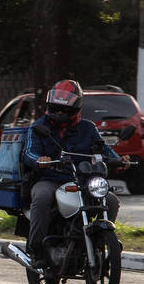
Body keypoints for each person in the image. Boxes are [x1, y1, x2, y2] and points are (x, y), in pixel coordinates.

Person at [23, 79, 130, 268]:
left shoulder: (88, 128)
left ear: (76, 107)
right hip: (50, 179)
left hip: (82, 181)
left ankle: (101, 240)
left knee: (111, 200)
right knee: (41, 197)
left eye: (64, 110)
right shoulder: (39, 127)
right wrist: (40, 160)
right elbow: (29, 152)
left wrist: (119, 160)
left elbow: (103, 149)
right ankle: (36, 249)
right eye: (56, 109)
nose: (59, 113)